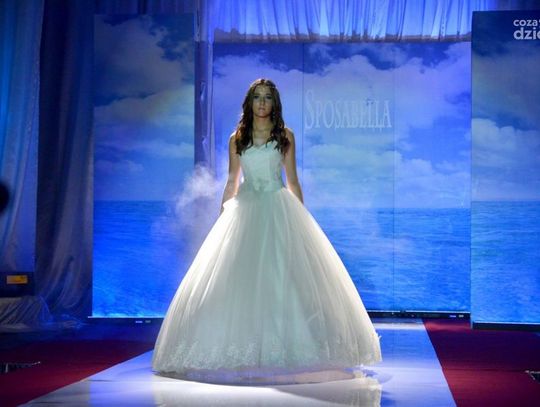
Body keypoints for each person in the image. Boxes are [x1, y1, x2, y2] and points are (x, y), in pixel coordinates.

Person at [152, 78, 381, 385]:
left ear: (275, 103)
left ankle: (289, 348)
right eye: (257, 97)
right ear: (249, 102)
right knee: (240, 280)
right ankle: (238, 349)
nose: (262, 102)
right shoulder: (237, 138)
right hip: (245, 210)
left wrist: (301, 220)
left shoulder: (285, 136)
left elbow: (293, 180)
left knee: (279, 278)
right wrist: (222, 216)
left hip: (277, 207)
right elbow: (232, 180)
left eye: (267, 97)